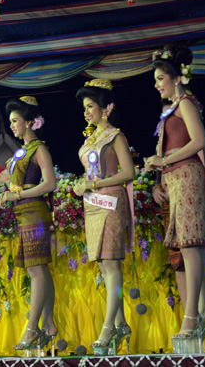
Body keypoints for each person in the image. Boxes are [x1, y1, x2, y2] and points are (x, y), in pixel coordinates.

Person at [145, 45, 205, 353]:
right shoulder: (171, 109)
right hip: (175, 177)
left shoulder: (185, 102)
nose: (157, 84)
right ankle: (200, 313)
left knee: (191, 244)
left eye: (161, 78)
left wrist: (166, 160)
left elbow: (200, 141)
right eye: (157, 79)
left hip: (187, 174)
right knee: (190, 245)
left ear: (176, 78)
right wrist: (159, 171)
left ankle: (192, 316)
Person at [73, 79, 135, 355]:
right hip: (93, 205)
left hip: (110, 201)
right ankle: (121, 323)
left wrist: (95, 185)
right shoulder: (91, 139)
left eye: (91, 106)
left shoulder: (115, 136)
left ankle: (108, 327)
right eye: (85, 107)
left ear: (106, 108)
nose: (87, 112)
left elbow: (129, 173)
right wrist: (82, 185)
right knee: (103, 267)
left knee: (111, 265)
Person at [0, 97, 57, 355]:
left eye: (15, 121)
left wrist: (17, 195)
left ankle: (32, 328)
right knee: (38, 270)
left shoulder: (38, 148)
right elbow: (15, 184)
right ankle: (49, 325)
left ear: (30, 122)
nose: (12, 126)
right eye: (10, 122)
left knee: (36, 271)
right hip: (23, 214)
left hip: (34, 213)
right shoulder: (20, 152)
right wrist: (5, 193)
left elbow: (50, 183)